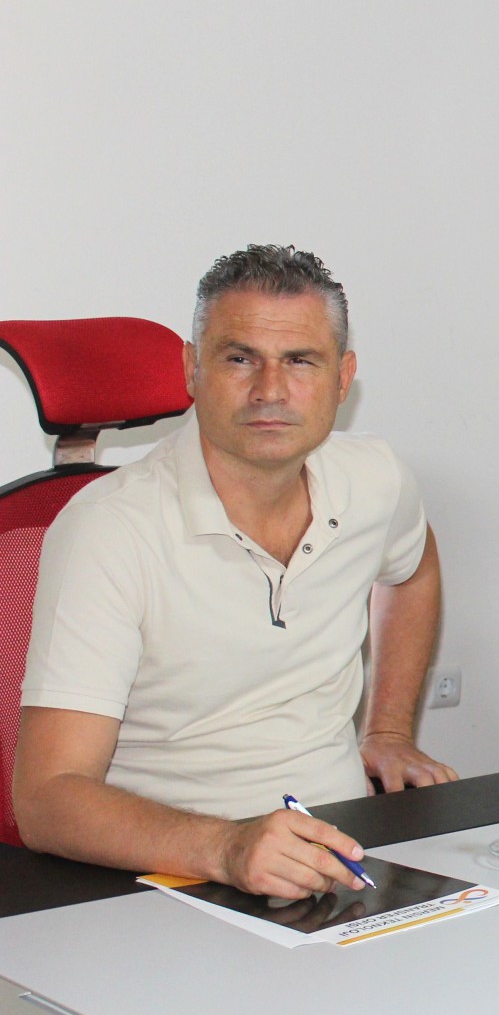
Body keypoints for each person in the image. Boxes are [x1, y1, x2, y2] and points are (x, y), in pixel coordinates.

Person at [15, 245, 457, 898]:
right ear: (192, 369)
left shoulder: (374, 479)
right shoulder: (109, 529)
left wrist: (388, 731)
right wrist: (227, 847)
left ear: (343, 378)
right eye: (240, 358)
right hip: (168, 874)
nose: (270, 390)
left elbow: (413, 570)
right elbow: (46, 798)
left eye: (300, 360)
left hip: (344, 851)